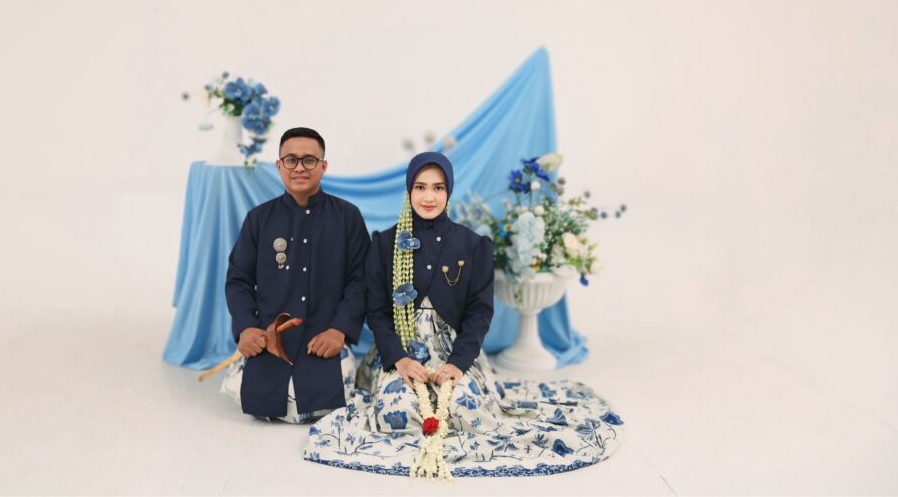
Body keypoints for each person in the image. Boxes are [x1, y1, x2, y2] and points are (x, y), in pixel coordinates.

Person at [304, 152, 623, 476]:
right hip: (400, 350)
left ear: (449, 191)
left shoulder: (472, 245)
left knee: (465, 411)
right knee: (394, 410)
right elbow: (377, 311)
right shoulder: (385, 243)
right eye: (420, 187)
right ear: (409, 190)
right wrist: (399, 359)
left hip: (454, 351)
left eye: (438, 188)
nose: (429, 197)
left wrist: (457, 364)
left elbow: (479, 314)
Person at [222, 127, 370, 422]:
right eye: (291, 160)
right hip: (272, 340)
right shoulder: (259, 219)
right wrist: (246, 328)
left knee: (328, 395)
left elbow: (361, 281)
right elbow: (238, 280)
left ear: (323, 166)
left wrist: (338, 330)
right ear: (279, 166)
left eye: (309, 160)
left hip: (323, 337)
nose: (299, 167)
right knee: (257, 393)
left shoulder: (347, 217)